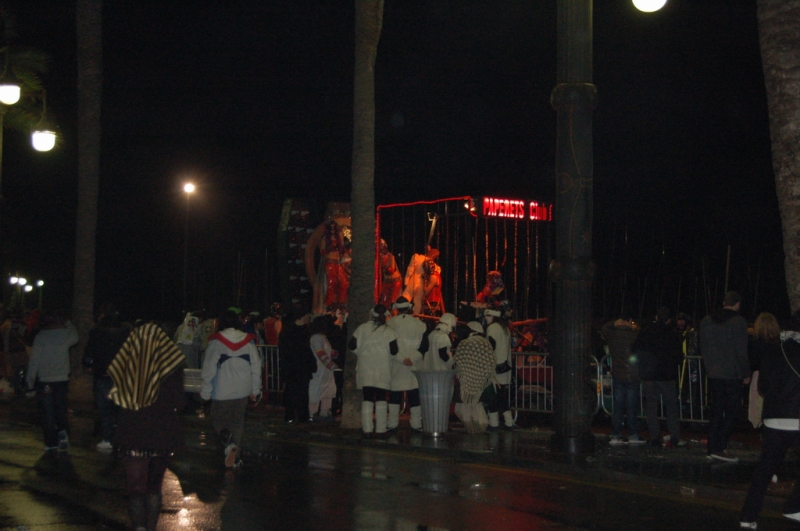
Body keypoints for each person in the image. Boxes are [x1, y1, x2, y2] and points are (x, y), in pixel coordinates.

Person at [107, 322, 186, 531]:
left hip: (132, 429)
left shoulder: (127, 362)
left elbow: (116, 397)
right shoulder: (173, 365)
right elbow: (179, 401)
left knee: (135, 488)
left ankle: (139, 527)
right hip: (162, 431)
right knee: (153, 487)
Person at [739, 312, 800, 528]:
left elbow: (763, 387)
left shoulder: (774, 351)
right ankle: (794, 507)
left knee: (763, 472)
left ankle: (748, 517)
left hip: (774, 419)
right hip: (796, 419)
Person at [200, 309, 262, 468]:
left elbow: (208, 369)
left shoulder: (216, 341)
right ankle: (235, 458)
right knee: (237, 423)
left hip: (222, 390)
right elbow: (256, 366)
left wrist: (205, 392)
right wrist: (256, 390)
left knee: (218, 421)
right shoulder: (248, 341)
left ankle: (228, 443)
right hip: (243, 389)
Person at [699, 291, 750, 462]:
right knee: (733, 412)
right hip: (732, 373)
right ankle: (719, 446)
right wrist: (746, 372)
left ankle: (712, 446)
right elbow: (741, 351)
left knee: (716, 411)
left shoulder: (707, 320)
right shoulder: (738, 322)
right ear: (737, 304)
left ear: (723, 303)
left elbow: (703, 346)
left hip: (714, 372)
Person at [26, 310, 79, 452]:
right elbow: (76, 336)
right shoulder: (66, 335)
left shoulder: (41, 337)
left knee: (47, 411)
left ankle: (50, 443)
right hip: (62, 378)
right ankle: (63, 432)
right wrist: (69, 323)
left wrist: (30, 382)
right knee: (61, 408)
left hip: (45, 380)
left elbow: (34, 361)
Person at [83, 303, 130, 451]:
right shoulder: (126, 333)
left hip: (103, 373)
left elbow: (89, 352)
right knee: (121, 408)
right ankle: (123, 438)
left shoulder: (97, 333)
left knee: (105, 410)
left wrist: (88, 366)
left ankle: (108, 438)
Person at [635, 306, 684, 447]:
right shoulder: (673, 334)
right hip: (667, 376)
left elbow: (636, 350)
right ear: (669, 320)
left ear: (656, 317)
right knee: (671, 407)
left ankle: (654, 437)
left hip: (649, 376)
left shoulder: (646, 332)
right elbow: (679, 357)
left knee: (651, 407)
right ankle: (674, 436)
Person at [348, 304, 399, 437]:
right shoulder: (389, 331)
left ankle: (367, 430)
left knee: (367, 398)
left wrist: (361, 353)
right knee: (381, 398)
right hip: (382, 368)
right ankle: (381, 429)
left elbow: (351, 345)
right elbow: (394, 351)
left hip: (365, 368)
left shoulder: (362, 328)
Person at [386, 297, 427, 433]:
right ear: (409, 308)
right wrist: (413, 359)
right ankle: (416, 424)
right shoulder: (420, 324)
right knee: (414, 396)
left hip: (396, 366)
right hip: (414, 366)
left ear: (396, 308)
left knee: (394, 396)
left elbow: (390, 347)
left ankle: (392, 423)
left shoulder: (390, 324)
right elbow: (424, 346)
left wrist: (401, 359)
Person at [602, 314, 644, 444]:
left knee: (618, 407)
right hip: (632, 375)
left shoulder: (612, 336)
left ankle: (616, 434)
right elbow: (641, 332)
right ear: (630, 321)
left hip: (618, 375)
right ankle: (632, 435)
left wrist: (614, 323)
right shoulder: (634, 336)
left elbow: (604, 329)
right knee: (631, 407)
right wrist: (632, 326)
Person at [453, 321, 496, 434]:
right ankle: (482, 425)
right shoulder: (486, 343)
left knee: (465, 404)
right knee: (479, 404)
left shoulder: (464, 343)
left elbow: (458, 362)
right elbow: (491, 361)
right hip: (482, 380)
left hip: (466, 380)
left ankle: (470, 425)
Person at [279, 309, 315, 423]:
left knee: (303, 391)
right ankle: (290, 415)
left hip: (303, 366)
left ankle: (302, 415)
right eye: (306, 314)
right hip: (292, 366)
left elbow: (307, 349)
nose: (309, 315)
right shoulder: (288, 331)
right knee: (292, 391)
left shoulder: (305, 329)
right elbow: (286, 351)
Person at [485, 308, 515, 430]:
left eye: (488, 316)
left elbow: (490, 348)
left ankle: (494, 423)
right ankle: (509, 422)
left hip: (495, 369)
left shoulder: (492, 329)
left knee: (492, 397)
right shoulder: (505, 328)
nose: (486, 318)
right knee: (502, 397)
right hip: (505, 368)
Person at [308, 314, 340, 421]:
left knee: (328, 389)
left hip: (326, 370)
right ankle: (311, 412)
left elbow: (326, 352)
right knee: (316, 390)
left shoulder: (322, 337)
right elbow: (320, 353)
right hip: (319, 369)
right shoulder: (316, 338)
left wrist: (333, 354)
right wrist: (331, 364)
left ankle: (325, 411)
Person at [378, 240, 403, 309]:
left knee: (392, 300)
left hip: (395, 281)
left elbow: (391, 270)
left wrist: (383, 264)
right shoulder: (379, 257)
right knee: (384, 300)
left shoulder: (390, 256)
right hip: (387, 280)